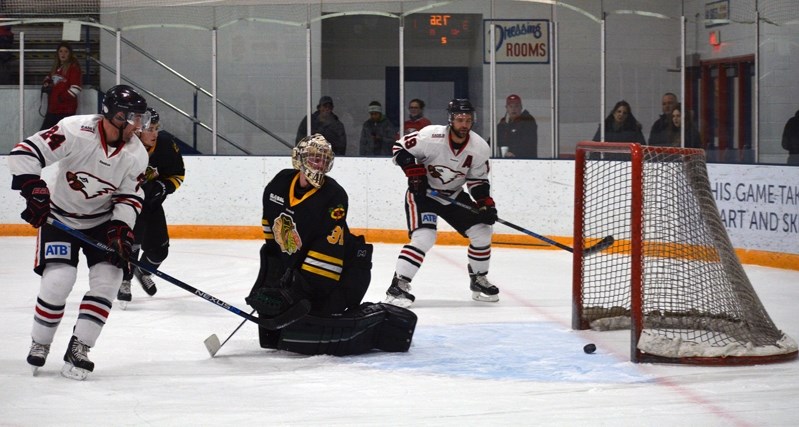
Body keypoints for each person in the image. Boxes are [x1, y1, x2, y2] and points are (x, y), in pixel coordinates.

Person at [8, 84, 149, 380]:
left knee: (108, 281)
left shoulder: (137, 154)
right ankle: (41, 341)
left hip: (102, 223)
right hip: (60, 218)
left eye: (140, 118)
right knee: (59, 280)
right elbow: (26, 152)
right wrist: (32, 187)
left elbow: (130, 196)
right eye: (132, 118)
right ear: (115, 116)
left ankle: (80, 347)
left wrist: (121, 228)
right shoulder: (75, 130)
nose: (138, 125)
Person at [245, 134, 416, 355]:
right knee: (276, 322)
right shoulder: (279, 183)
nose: (320, 164)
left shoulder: (333, 196)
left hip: (343, 278)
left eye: (324, 160)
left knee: (312, 316)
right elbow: (272, 239)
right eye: (315, 158)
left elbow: (325, 261)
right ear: (299, 159)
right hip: (302, 269)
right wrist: (270, 283)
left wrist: (292, 295)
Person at [384, 98, 500, 308]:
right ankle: (398, 285)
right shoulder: (431, 136)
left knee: (483, 231)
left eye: (467, 119)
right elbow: (399, 148)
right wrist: (413, 171)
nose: (464, 124)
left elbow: (477, 180)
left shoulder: (480, 147)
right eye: (459, 119)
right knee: (424, 237)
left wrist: (485, 203)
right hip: (423, 195)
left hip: (453, 195)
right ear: (450, 120)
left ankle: (478, 279)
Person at [117, 108, 186, 307]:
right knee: (132, 244)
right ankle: (125, 279)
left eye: (156, 128)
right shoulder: (125, 147)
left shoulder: (166, 144)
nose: (155, 134)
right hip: (128, 205)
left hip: (152, 205)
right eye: (150, 129)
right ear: (138, 130)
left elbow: (178, 174)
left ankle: (143, 271)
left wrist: (163, 187)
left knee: (160, 251)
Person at [40, 41, 83, 131]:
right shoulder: (56, 68)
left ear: (70, 54)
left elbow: (76, 88)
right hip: (53, 110)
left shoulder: (73, 68)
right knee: (44, 136)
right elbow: (48, 78)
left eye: (66, 51)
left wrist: (61, 98)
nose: (63, 54)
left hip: (66, 111)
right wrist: (47, 83)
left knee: (60, 137)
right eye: (61, 51)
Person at [496, 94, 538, 158]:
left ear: (521, 107)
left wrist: (514, 153)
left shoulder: (528, 120)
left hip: (526, 161)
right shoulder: (504, 124)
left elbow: (527, 143)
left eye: (516, 106)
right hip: (509, 162)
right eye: (511, 106)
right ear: (506, 108)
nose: (513, 109)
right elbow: (497, 141)